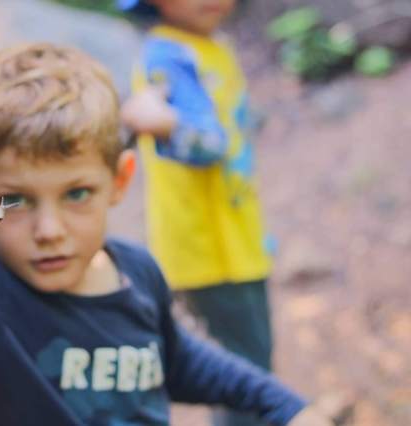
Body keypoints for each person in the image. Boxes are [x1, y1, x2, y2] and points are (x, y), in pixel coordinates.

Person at [0, 42, 331, 425]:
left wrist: (284, 406)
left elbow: (176, 358)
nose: (49, 231)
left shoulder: (138, 270)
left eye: (77, 193)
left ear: (119, 181)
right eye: (17, 199)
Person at [119, 1, 276, 425]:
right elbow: (209, 144)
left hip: (234, 237)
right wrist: (165, 122)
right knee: (244, 375)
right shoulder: (169, 53)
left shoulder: (207, 45)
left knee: (249, 363)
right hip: (208, 248)